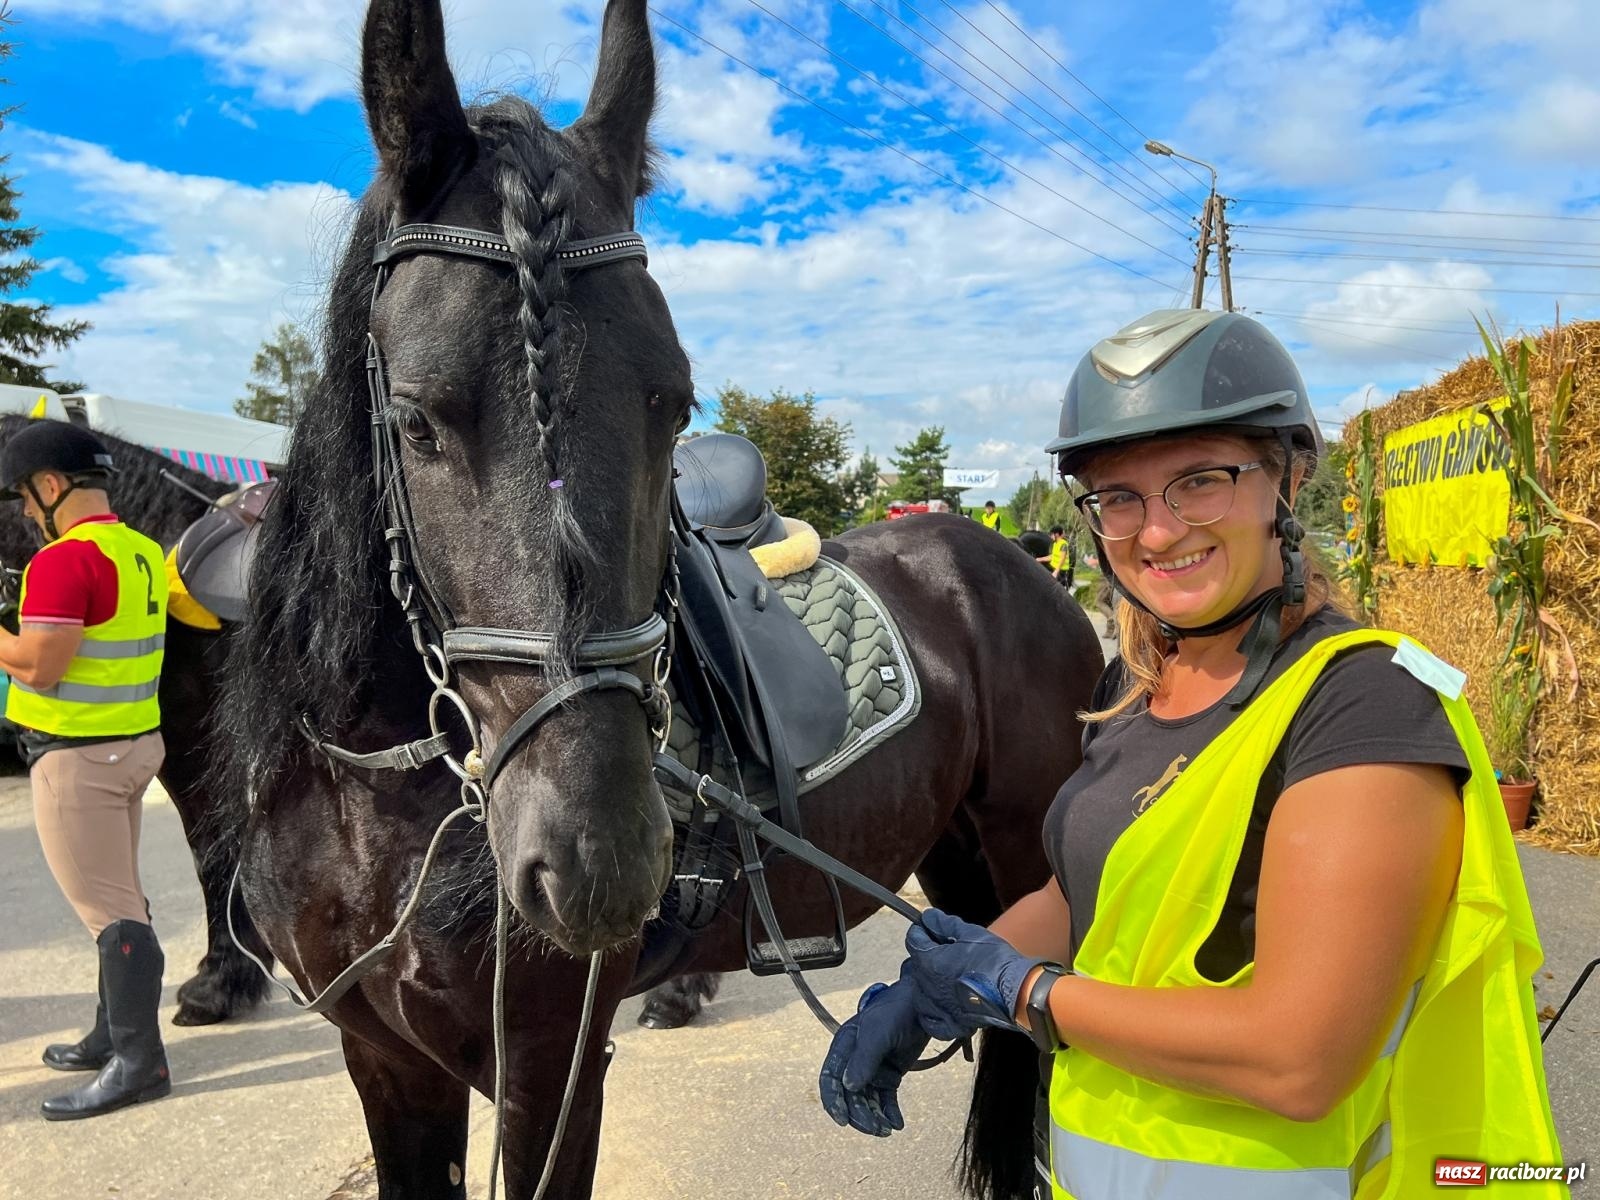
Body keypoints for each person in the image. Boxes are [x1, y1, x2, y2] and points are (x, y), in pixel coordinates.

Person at [818, 309, 1564, 1197]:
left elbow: (1298, 1060)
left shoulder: (1363, 705)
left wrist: (1024, 993)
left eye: (1200, 481)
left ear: (1286, 480)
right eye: (1118, 497)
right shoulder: (1134, 685)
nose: (1158, 531)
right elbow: (1083, 895)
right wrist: (934, 989)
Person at [0, 420, 172, 1120]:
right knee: (121, 895)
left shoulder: (63, 561)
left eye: (24, 496)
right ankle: (111, 1035)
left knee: (111, 913)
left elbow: (41, 666)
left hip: (76, 760)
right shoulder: (141, 550)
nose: (23, 512)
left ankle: (139, 1062)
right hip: (131, 745)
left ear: (51, 486)